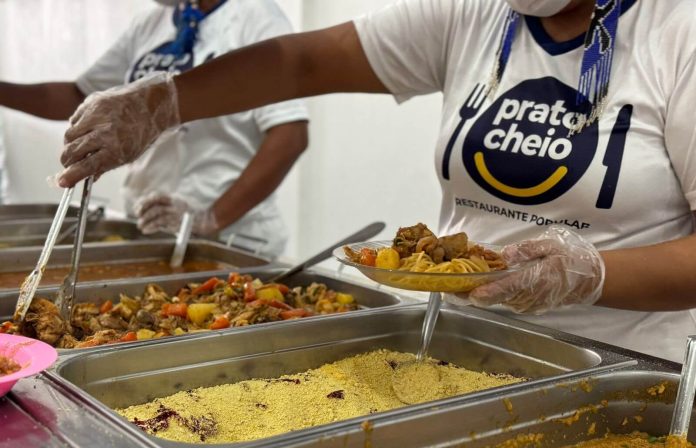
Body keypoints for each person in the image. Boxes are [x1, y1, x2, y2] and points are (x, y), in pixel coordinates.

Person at [57, 0, 696, 362]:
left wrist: (591, 273)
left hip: (624, 362)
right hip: (462, 346)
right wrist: (165, 100)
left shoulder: (677, 31)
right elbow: (306, 61)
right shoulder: (474, 15)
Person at [0, 0, 308, 257]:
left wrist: (209, 219)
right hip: (152, 233)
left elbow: (290, 135)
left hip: (233, 241)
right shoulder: (150, 23)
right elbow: (82, 96)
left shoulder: (256, 17)